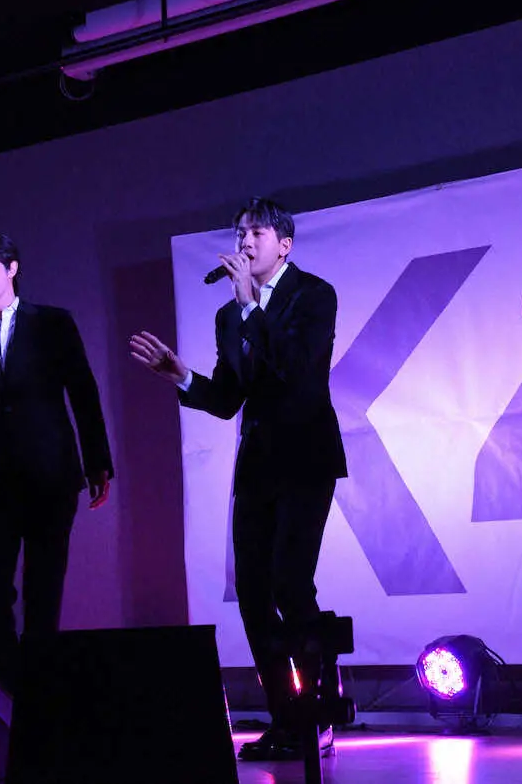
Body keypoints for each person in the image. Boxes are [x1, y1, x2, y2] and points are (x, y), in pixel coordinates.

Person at [129, 198, 347, 762]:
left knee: (290, 585)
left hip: (306, 460)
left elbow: (296, 371)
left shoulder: (313, 295)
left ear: (285, 245)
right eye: (240, 234)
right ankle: (287, 720)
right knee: (252, 593)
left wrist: (251, 306)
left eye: (257, 233)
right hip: (256, 467)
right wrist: (181, 376)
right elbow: (229, 398)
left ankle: (320, 714)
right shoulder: (229, 316)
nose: (245, 243)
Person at [0, 231, 113, 696]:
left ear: (11, 268)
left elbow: (83, 391)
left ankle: (39, 688)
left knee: (43, 587)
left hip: (49, 474)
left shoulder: (52, 322)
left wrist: (97, 462)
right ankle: (9, 685)